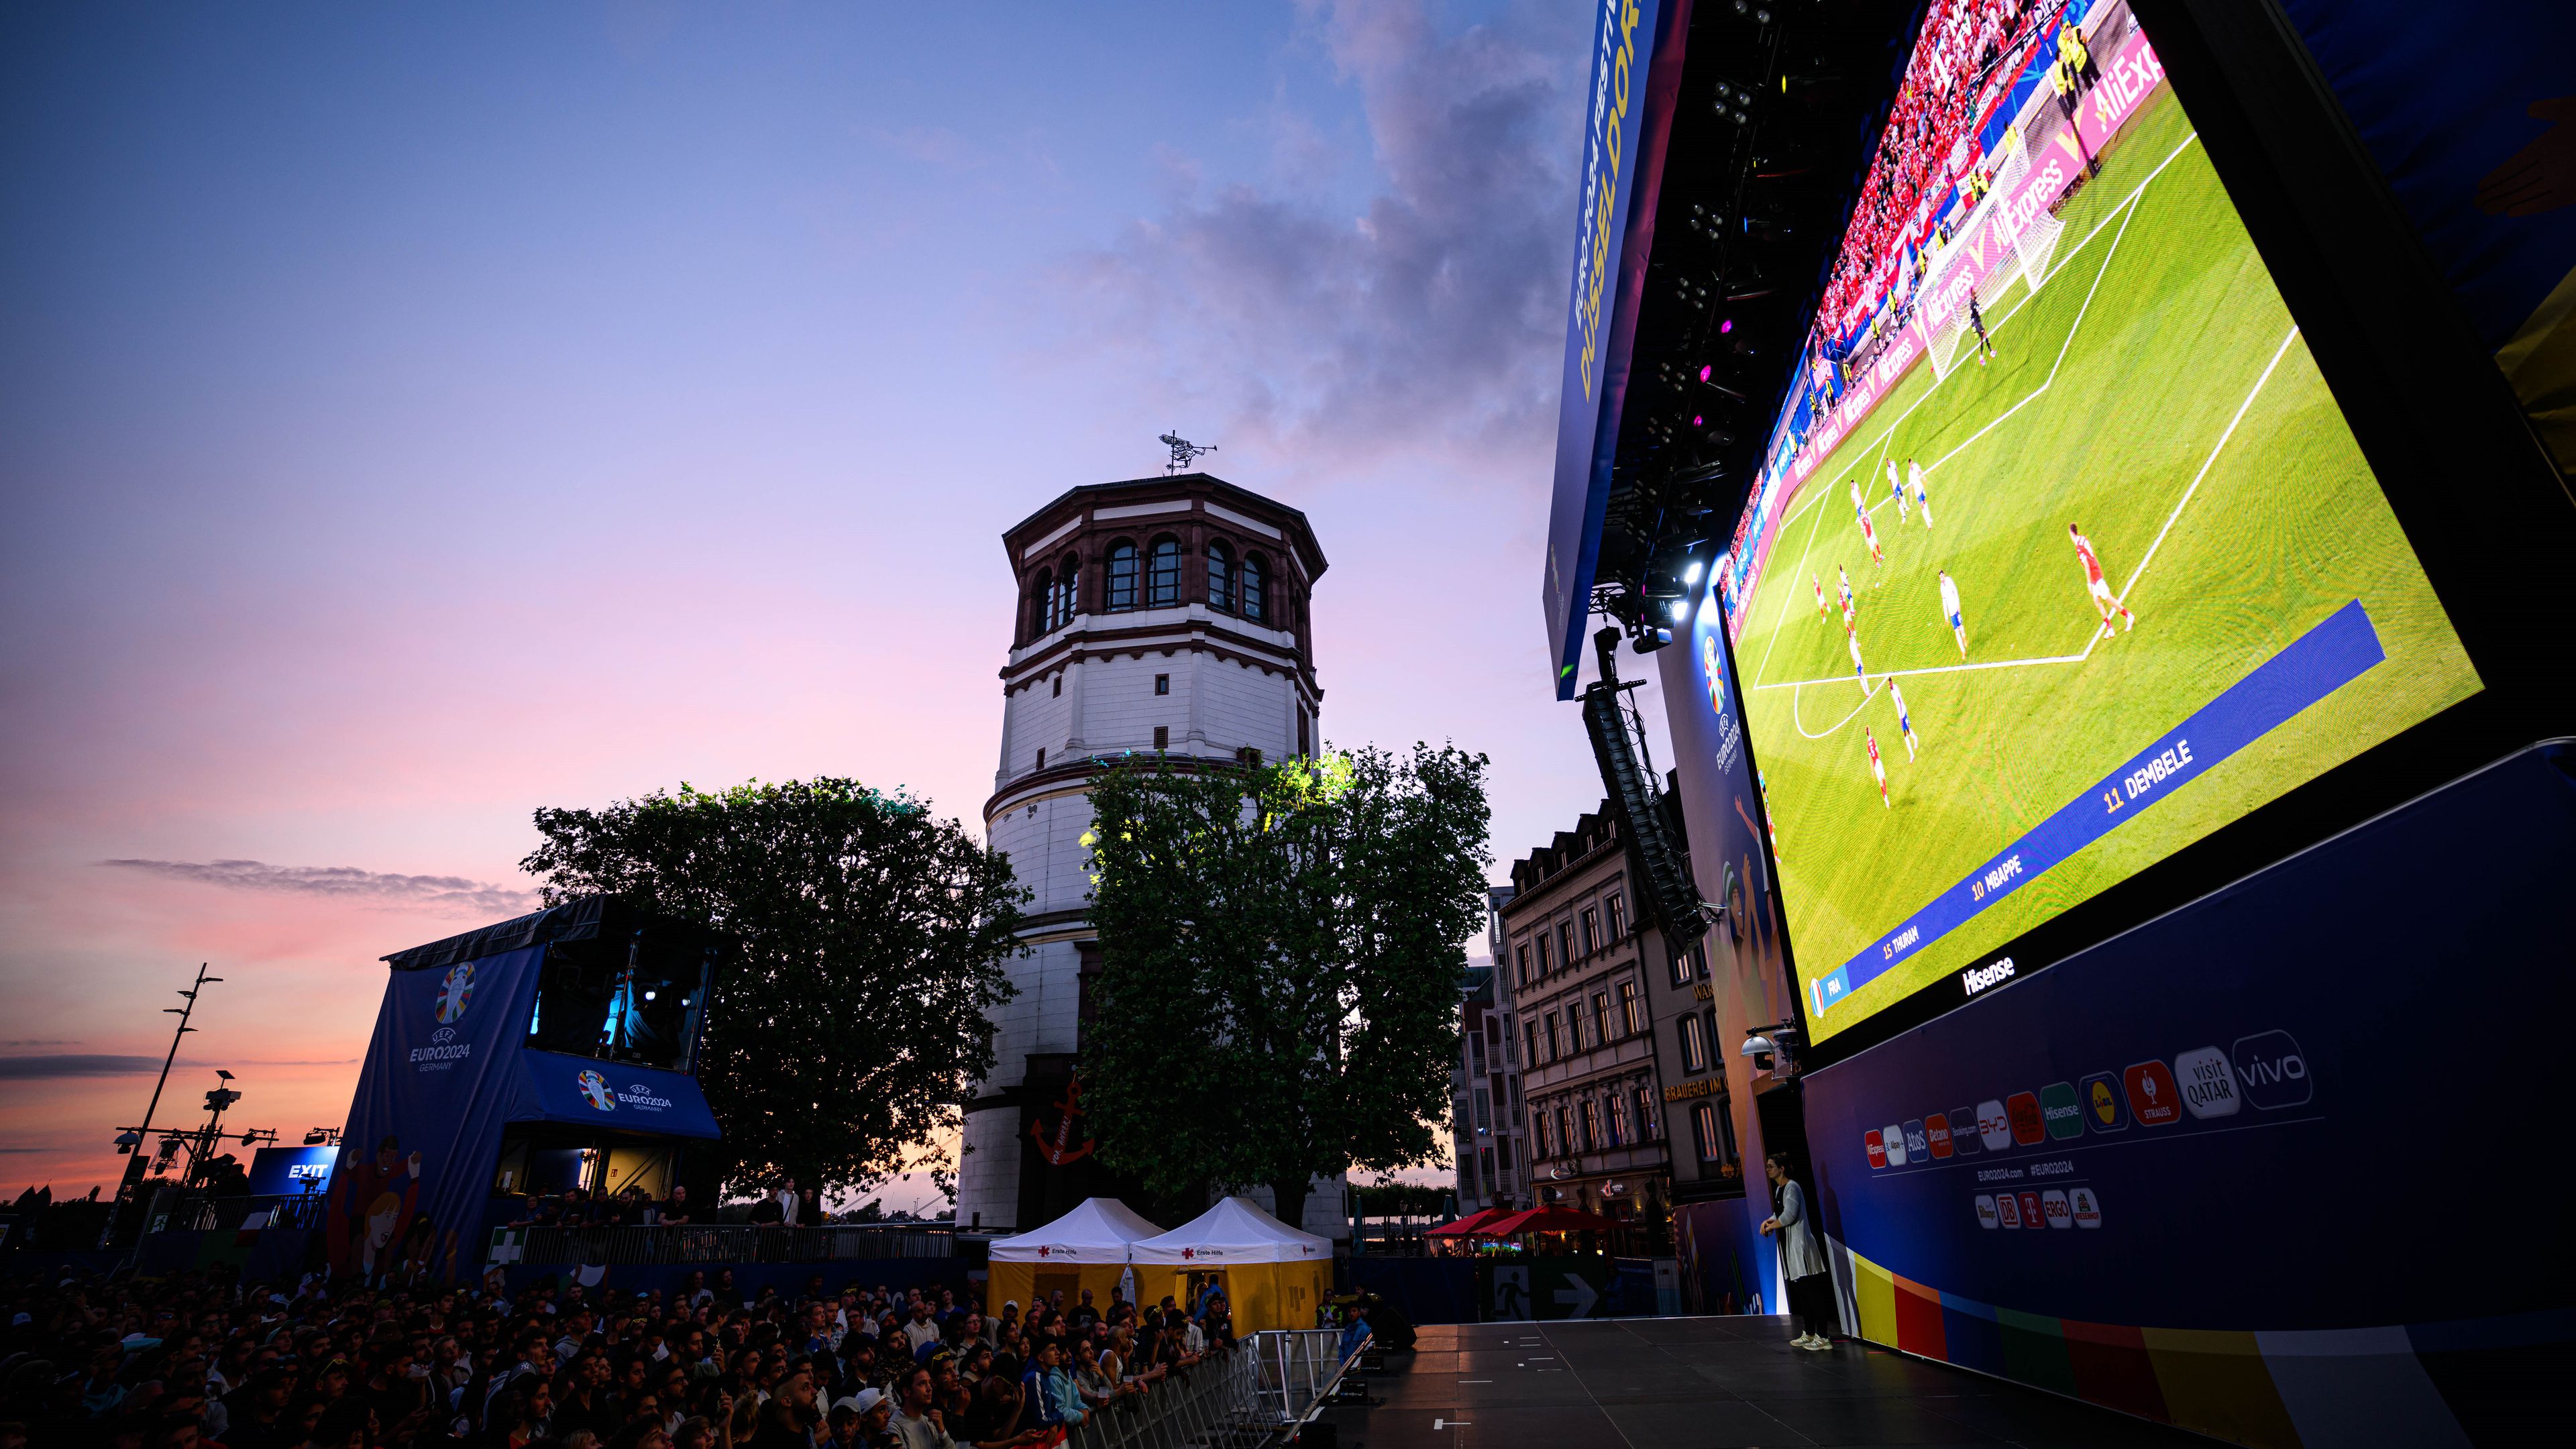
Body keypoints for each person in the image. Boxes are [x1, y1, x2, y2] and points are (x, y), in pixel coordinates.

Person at [1760, 1152, 1838, 1351]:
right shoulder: (1780, 1190)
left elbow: (1790, 1215)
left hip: (1800, 1247)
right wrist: (1768, 1221)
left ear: (1782, 1168)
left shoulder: (1792, 1187)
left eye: (1771, 1166)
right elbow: (1779, 1214)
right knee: (1803, 1294)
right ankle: (1810, 1333)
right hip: (1790, 1249)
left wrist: (1772, 1226)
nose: (1768, 1169)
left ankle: (1823, 1336)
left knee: (1812, 1293)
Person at [2068, 523, 2134, 638]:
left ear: (2071, 534)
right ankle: (2110, 628)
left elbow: (2087, 566)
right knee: (2097, 601)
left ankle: (2128, 615)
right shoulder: (2083, 539)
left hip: (2095, 577)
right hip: (2096, 571)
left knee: (2108, 599)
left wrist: (2089, 583)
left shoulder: (2079, 548)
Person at [887, 1367, 951, 1449]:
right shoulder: (894, 1427)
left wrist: (942, 1431)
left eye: (930, 1383)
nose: (930, 1388)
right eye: (922, 1384)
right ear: (907, 1392)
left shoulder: (929, 1422)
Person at [1937, 570, 1968, 660]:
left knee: (1961, 627)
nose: (1942, 578)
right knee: (1956, 631)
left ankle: (1964, 637)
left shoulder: (1949, 580)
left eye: (1942, 576)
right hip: (1951, 612)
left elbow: (1955, 591)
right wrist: (1946, 617)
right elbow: (1944, 601)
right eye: (1940, 577)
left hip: (1955, 608)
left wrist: (1958, 604)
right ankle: (1963, 651)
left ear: (1944, 575)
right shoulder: (1941, 587)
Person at [1889, 678, 1919, 761]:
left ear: (1892, 683)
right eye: (1889, 684)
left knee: (1908, 731)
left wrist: (1901, 718)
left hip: (1903, 713)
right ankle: (1912, 754)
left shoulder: (1895, 691)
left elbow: (1899, 703)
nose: (1890, 686)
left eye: (1890, 684)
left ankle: (1915, 739)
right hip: (1901, 714)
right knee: (1905, 733)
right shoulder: (1892, 690)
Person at [1966, 285, 1994, 366]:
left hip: (1977, 322)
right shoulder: (1973, 303)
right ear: (1972, 294)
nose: (1976, 291)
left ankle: (1985, 355)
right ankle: (1987, 354)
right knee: (1984, 335)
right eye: (1974, 291)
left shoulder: (1973, 301)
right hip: (1976, 324)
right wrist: (1983, 308)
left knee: (1983, 338)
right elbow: (1977, 306)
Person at [1865, 728, 1890, 809]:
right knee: (1884, 779)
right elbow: (1877, 751)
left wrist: (1872, 771)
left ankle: (1885, 798)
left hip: (1875, 765)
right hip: (1878, 762)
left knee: (1880, 782)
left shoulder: (1867, 745)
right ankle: (1886, 796)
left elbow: (1870, 759)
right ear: (1870, 732)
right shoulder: (1873, 740)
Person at [1907, 458, 1931, 527]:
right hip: (1917, 492)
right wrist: (1911, 498)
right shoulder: (1910, 475)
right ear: (1909, 465)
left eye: (1912, 463)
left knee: (1924, 502)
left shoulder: (1916, 466)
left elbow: (1920, 470)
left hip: (1921, 488)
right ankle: (1928, 524)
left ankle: (1929, 518)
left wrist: (1923, 477)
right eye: (1910, 464)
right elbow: (1911, 487)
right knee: (1922, 506)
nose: (1911, 465)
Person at [1884, 456, 1909, 524]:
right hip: (1894, 487)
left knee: (1902, 494)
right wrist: (1893, 492)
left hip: (1898, 484)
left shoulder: (1893, 463)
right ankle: (1904, 516)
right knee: (1898, 500)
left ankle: (1906, 507)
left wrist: (1898, 480)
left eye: (1888, 461)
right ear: (1886, 463)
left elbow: (1896, 470)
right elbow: (1890, 482)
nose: (1888, 463)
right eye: (1887, 462)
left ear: (1889, 461)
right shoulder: (1888, 471)